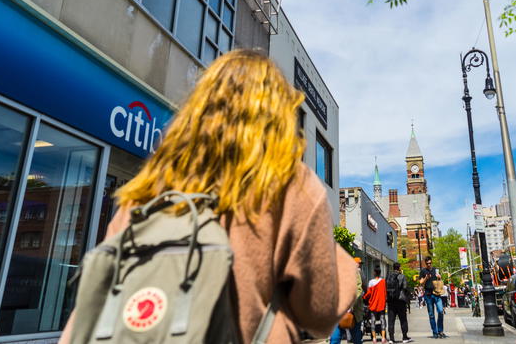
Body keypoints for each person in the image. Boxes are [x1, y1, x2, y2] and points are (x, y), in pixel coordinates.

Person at [59, 50, 357, 343]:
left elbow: (101, 286)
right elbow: (319, 314)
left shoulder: (152, 183)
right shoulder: (291, 183)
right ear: (279, 115)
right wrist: (341, 266)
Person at [331, 257, 365, 344]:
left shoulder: (355, 272)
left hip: (354, 311)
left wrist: (350, 305)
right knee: (334, 339)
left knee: (356, 338)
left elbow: (358, 289)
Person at [419, 256, 446, 338]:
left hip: (437, 294)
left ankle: (440, 330)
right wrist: (426, 278)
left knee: (441, 311)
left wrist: (440, 277)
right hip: (428, 295)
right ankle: (435, 332)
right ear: (425, 263)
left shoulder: (435, 270)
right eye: (427, 263)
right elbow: (421, 283)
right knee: (431, 315)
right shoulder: (423, 271)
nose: (429, 265)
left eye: (430, 263)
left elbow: (440, 279)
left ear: (432, 262)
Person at [386, 262, 412, 343]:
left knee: (391, 320)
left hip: (391, 301)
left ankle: (391, 338)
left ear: (393, 267)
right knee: (403, 319)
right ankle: (404, 337)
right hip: (400, 301)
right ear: (399, 268)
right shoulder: (402, 276)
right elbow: (405, 287)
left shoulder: (388, 276)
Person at [363, 266, 388, 343]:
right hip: (381, 304)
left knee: (373, 321)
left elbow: (368, 293)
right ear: (380, 273)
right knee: (382, 321)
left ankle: (374, 338)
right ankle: (383, 338)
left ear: (374, 273)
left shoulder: (371, 282)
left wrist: (364, 297)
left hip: (373, 305)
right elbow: (385, 293)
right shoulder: (383, 282)